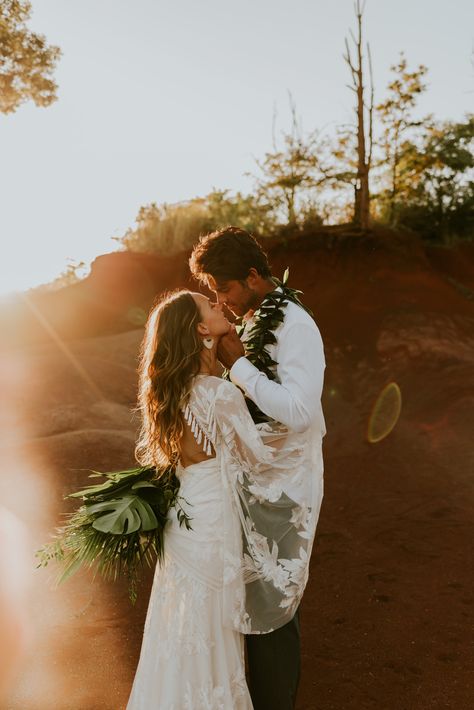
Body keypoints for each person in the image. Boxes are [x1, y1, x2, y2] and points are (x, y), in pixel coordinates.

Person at [126, 285, 323, 709]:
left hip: (182, 524)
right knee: (215, 634)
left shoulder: (166, 393)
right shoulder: (220, 393)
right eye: (208, 304)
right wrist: (304, 438)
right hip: (214, 527)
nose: (218, 304)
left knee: (178, 630)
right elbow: (258, 460)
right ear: (201, 328)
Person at [189, 226, 326, 710]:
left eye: (224, 288)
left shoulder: (294, 324)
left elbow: (300, 412)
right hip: (251, 479)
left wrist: (240, 366)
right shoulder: (253, 320)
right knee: (252, 597)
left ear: (252, 276)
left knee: (276, 603)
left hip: (286, 487)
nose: (220, 300)